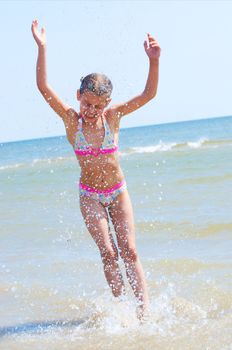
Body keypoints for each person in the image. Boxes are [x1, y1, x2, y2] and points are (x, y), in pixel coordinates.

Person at [31, 19, 161, 320]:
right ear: (78, 96)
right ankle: (121, 312)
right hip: (89, 195)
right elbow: (42, 87)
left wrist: (154, 62)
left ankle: (144, 316)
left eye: (97, 106)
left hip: (118, 193)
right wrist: (43, 47)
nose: (91, 111)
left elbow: (148, 95)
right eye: (87, 103)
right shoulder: (70, 121)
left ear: (107, 104)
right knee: (109, 253)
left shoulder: (113, 118)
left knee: (129, 251)